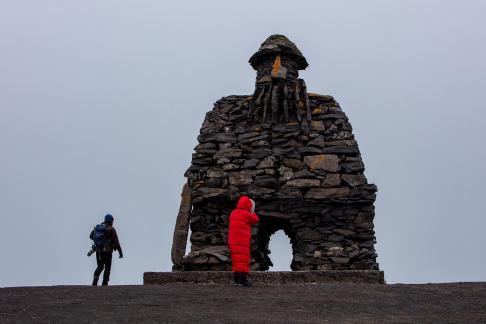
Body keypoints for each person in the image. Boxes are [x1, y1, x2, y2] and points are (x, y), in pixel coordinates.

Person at [228, 196, 259, 287]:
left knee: (236, 260)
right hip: (242, 241)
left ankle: (237, 279)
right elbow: (256, 220)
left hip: (233, 240)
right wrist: (252, 211)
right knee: (243, 259)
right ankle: (243, 279)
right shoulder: (246, 214)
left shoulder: (233, 213)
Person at [90, 214, 123, 286]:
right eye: (112, 221)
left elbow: (91, 236)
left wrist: (99, 240)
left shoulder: (98, 227)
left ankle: (95, 280)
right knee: (108, 267)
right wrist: (120, 252)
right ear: (110, 221)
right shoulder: (111, 229)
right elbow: (116, 241)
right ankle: (105, 283)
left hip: (98, 250)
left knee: (100, 266)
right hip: (107, 251)